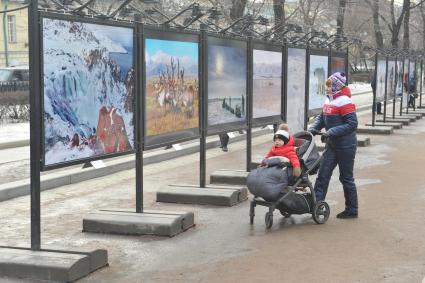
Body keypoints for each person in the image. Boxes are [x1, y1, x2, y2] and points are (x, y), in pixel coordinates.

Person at [309, 72, 358, 219]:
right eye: (327, 85)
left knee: (346, 178)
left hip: (346, 146)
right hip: (332, 145)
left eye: (330, 85)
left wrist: (331, 131)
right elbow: (322, 117)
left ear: (337, 85)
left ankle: (352, 209)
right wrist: (314, 127)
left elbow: (352, 124)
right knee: (323, 175)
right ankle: (317, 206)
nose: (327, 88)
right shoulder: (329, 100)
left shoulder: (344, 101)